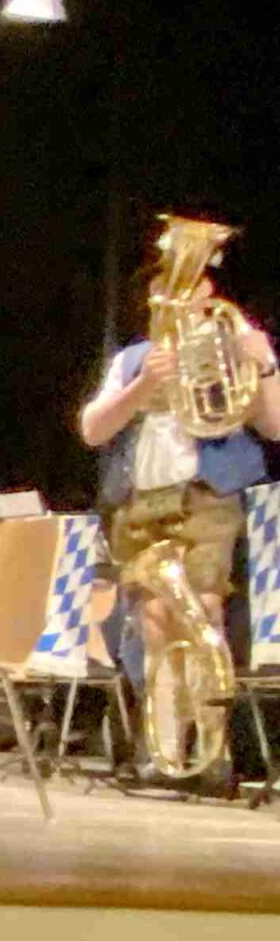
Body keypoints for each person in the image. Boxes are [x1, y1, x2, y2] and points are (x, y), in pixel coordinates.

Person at [75, 226, 279, 782]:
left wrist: (264, 365)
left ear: (210, 294)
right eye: (171, 289)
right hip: (143, 500)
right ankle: (165, 751)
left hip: (206, 497)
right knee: (155, 618)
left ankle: (212, 749)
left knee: (203, 612)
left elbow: (275, 425)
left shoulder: (232, 349)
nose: (183, 299)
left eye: (194, 287)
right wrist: (142, 387)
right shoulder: (133, 359)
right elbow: (93, 430)